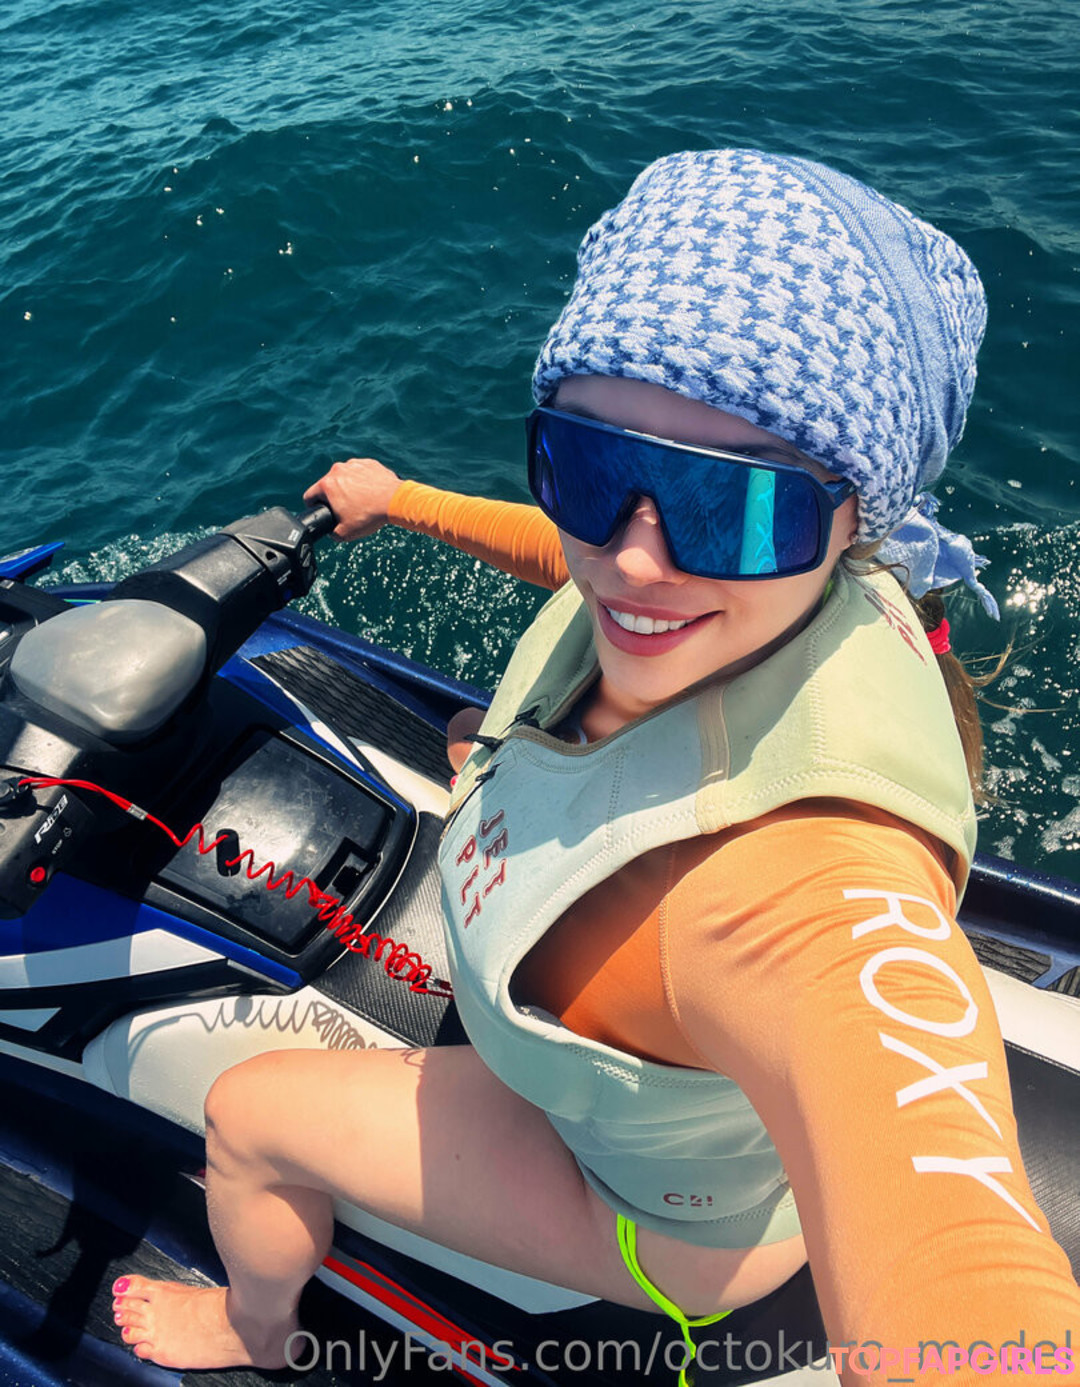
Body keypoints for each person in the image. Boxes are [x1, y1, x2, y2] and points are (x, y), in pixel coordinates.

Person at [111, 149, 1080, 1380]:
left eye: (732, 507)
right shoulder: (815, 591)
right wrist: (402, 500)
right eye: (595, 465)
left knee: (247, 1116)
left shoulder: (802, 891)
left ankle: (256, 1327)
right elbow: (573, 566)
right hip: (662, 1096)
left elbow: (950, 1237)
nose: (633, 561)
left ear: (855, 515)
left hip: (658, 1222)